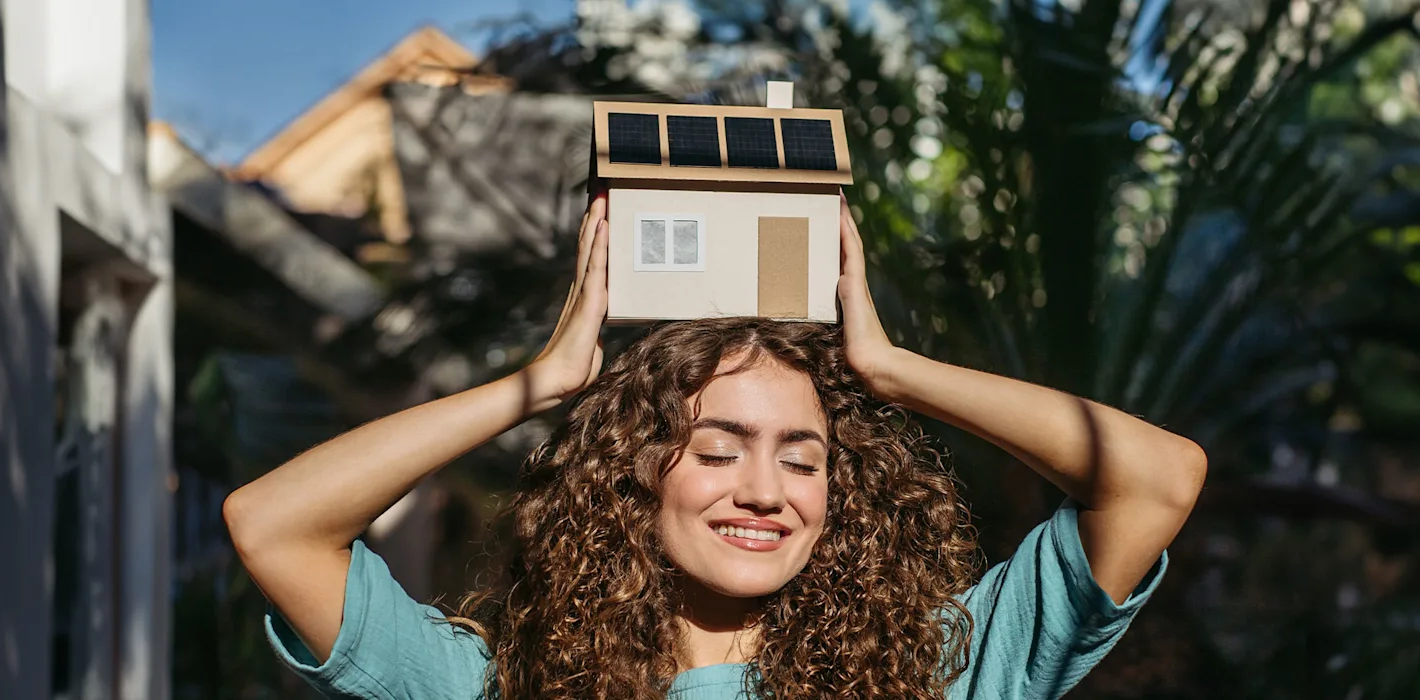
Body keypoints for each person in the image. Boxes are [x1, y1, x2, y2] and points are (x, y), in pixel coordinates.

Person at [224, 191, 1207, 699]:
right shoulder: (502, 682)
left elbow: (1160, 478)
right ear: (637, 477)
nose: (765, 489)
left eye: (802, 455)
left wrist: (895, 370)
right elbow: (273, 525)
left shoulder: (941, 668)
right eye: (718, 447)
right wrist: (542, 381)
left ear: (840, 492)